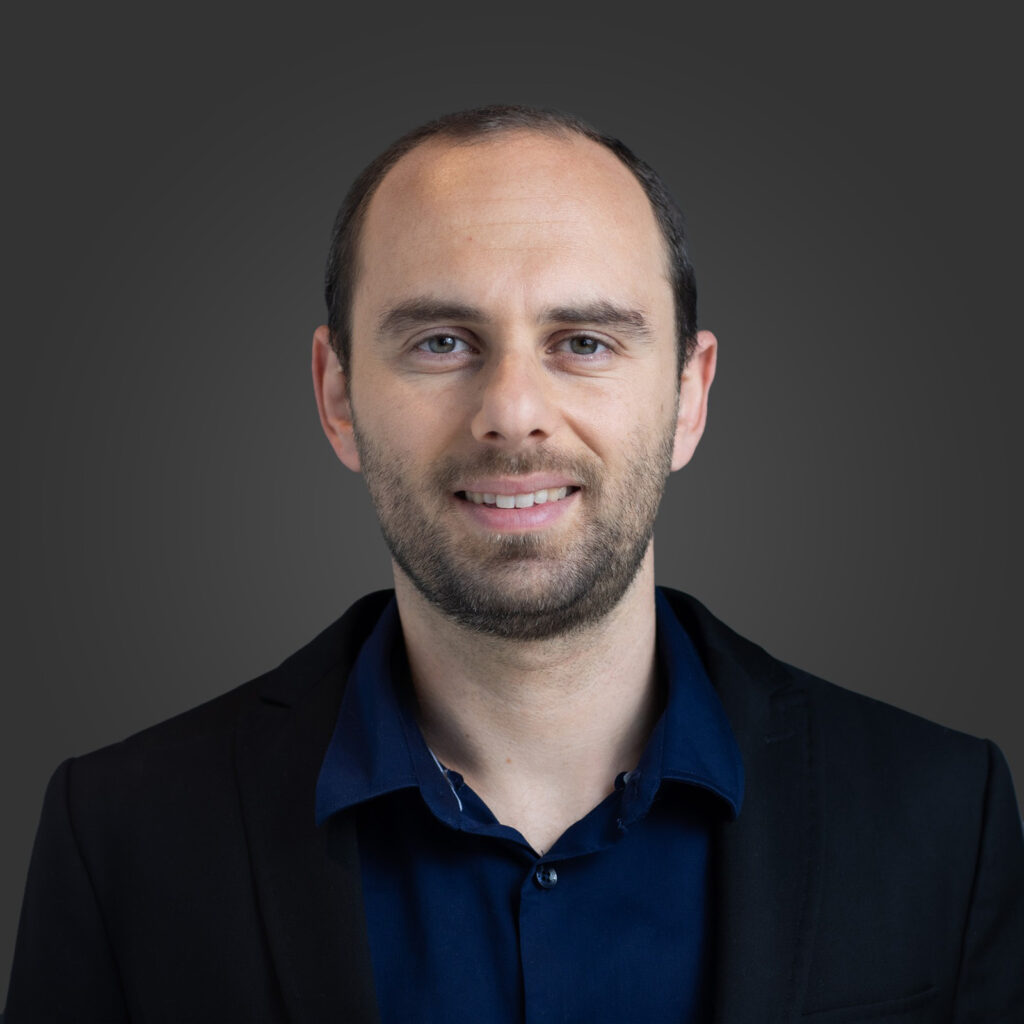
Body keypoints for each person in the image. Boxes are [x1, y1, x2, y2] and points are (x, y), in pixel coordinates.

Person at [5, 105, 1022, 1024]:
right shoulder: (123, 835)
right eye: (442, 342)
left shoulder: (942, 813)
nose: (513, 412)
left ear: (689, 396)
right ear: (338, 395)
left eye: (584, 341)